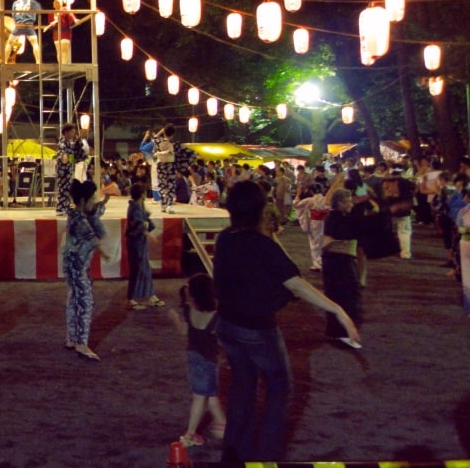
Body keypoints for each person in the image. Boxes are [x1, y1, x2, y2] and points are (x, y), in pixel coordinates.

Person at [212, 180, 360, 462]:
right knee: (279, 388)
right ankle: (267, 456)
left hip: (227, 324)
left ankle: (234, 455)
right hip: (255, 328)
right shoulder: (262, 245)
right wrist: (338, 310)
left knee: (243, 386)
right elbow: (297, 285)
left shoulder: (226, 238)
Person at [169, 273, 226, 448]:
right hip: (209, 361)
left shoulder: (188, 310)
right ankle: (190, 434)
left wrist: (175, 319)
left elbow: (184, 332)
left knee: (209, 394)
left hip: (192, 358)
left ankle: (222, 423)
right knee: (201, 397)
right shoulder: (216, 316)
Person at [62, 180, 117, 361]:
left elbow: (94, 213)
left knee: (74, 300)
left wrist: (104, 201)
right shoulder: (80, 221)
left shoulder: (76, 215)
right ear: (84, 200)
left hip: (72, 265)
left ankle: (72, 338)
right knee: (84, 303)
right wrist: (106, 255)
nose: (95, 201)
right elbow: (94, 238)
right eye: (93, 198)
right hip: (78, 266)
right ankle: (81, 343)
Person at [320, 189, 363, 348]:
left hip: (339, 259)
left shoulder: (340, 217)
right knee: (344, 295)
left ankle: (338, 331)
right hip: (338, 260)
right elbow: (349, 231)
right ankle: (342, 332)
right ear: (338, 203)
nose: (351, 204)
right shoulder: (335, 218)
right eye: (348, 202)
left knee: (344, 295)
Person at [125, 182, 163, 310]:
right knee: (137, 270)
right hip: (136, 242)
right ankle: (132, 298)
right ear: (142, 194)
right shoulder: (135, 208)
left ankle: (150, 295)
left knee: (145, 269)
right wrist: (149, 235)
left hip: (139, 241)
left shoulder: (137, 206)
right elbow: (139, 224)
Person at [55, 124, 87, 216]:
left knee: (68, 189)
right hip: (63, 170)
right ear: (66, 132)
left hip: (68, 169)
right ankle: (60, 208)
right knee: (63, 189)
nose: (73, 134)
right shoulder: (62, 143)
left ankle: (65, 206)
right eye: (72, 132)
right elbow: (62, 155)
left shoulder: (69, 143)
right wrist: (66, 158)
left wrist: (80, 138)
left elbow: (76, 150)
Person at [8, 0, 42, 64]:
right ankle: (38, 62)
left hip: (19, 26)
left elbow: (13, 15)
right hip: (29, 26)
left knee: (9, 43)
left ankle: (5, 61)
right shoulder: (32, 3)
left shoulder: (16, 3)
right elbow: (39, 10)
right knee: (35, 44)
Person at [49, 0, 73, 65]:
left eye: (59, 2)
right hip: (56, 34)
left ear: (61, 2)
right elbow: (50, 23)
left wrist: (75, 19)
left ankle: (63, 66)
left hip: (65, 33)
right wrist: (52, 23)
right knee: (59, 51)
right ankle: (61, 65)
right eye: (55, 2)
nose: (57, 3)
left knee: (64, 51)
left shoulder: (65, 9)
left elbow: (71, 19)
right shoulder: (51, 13)